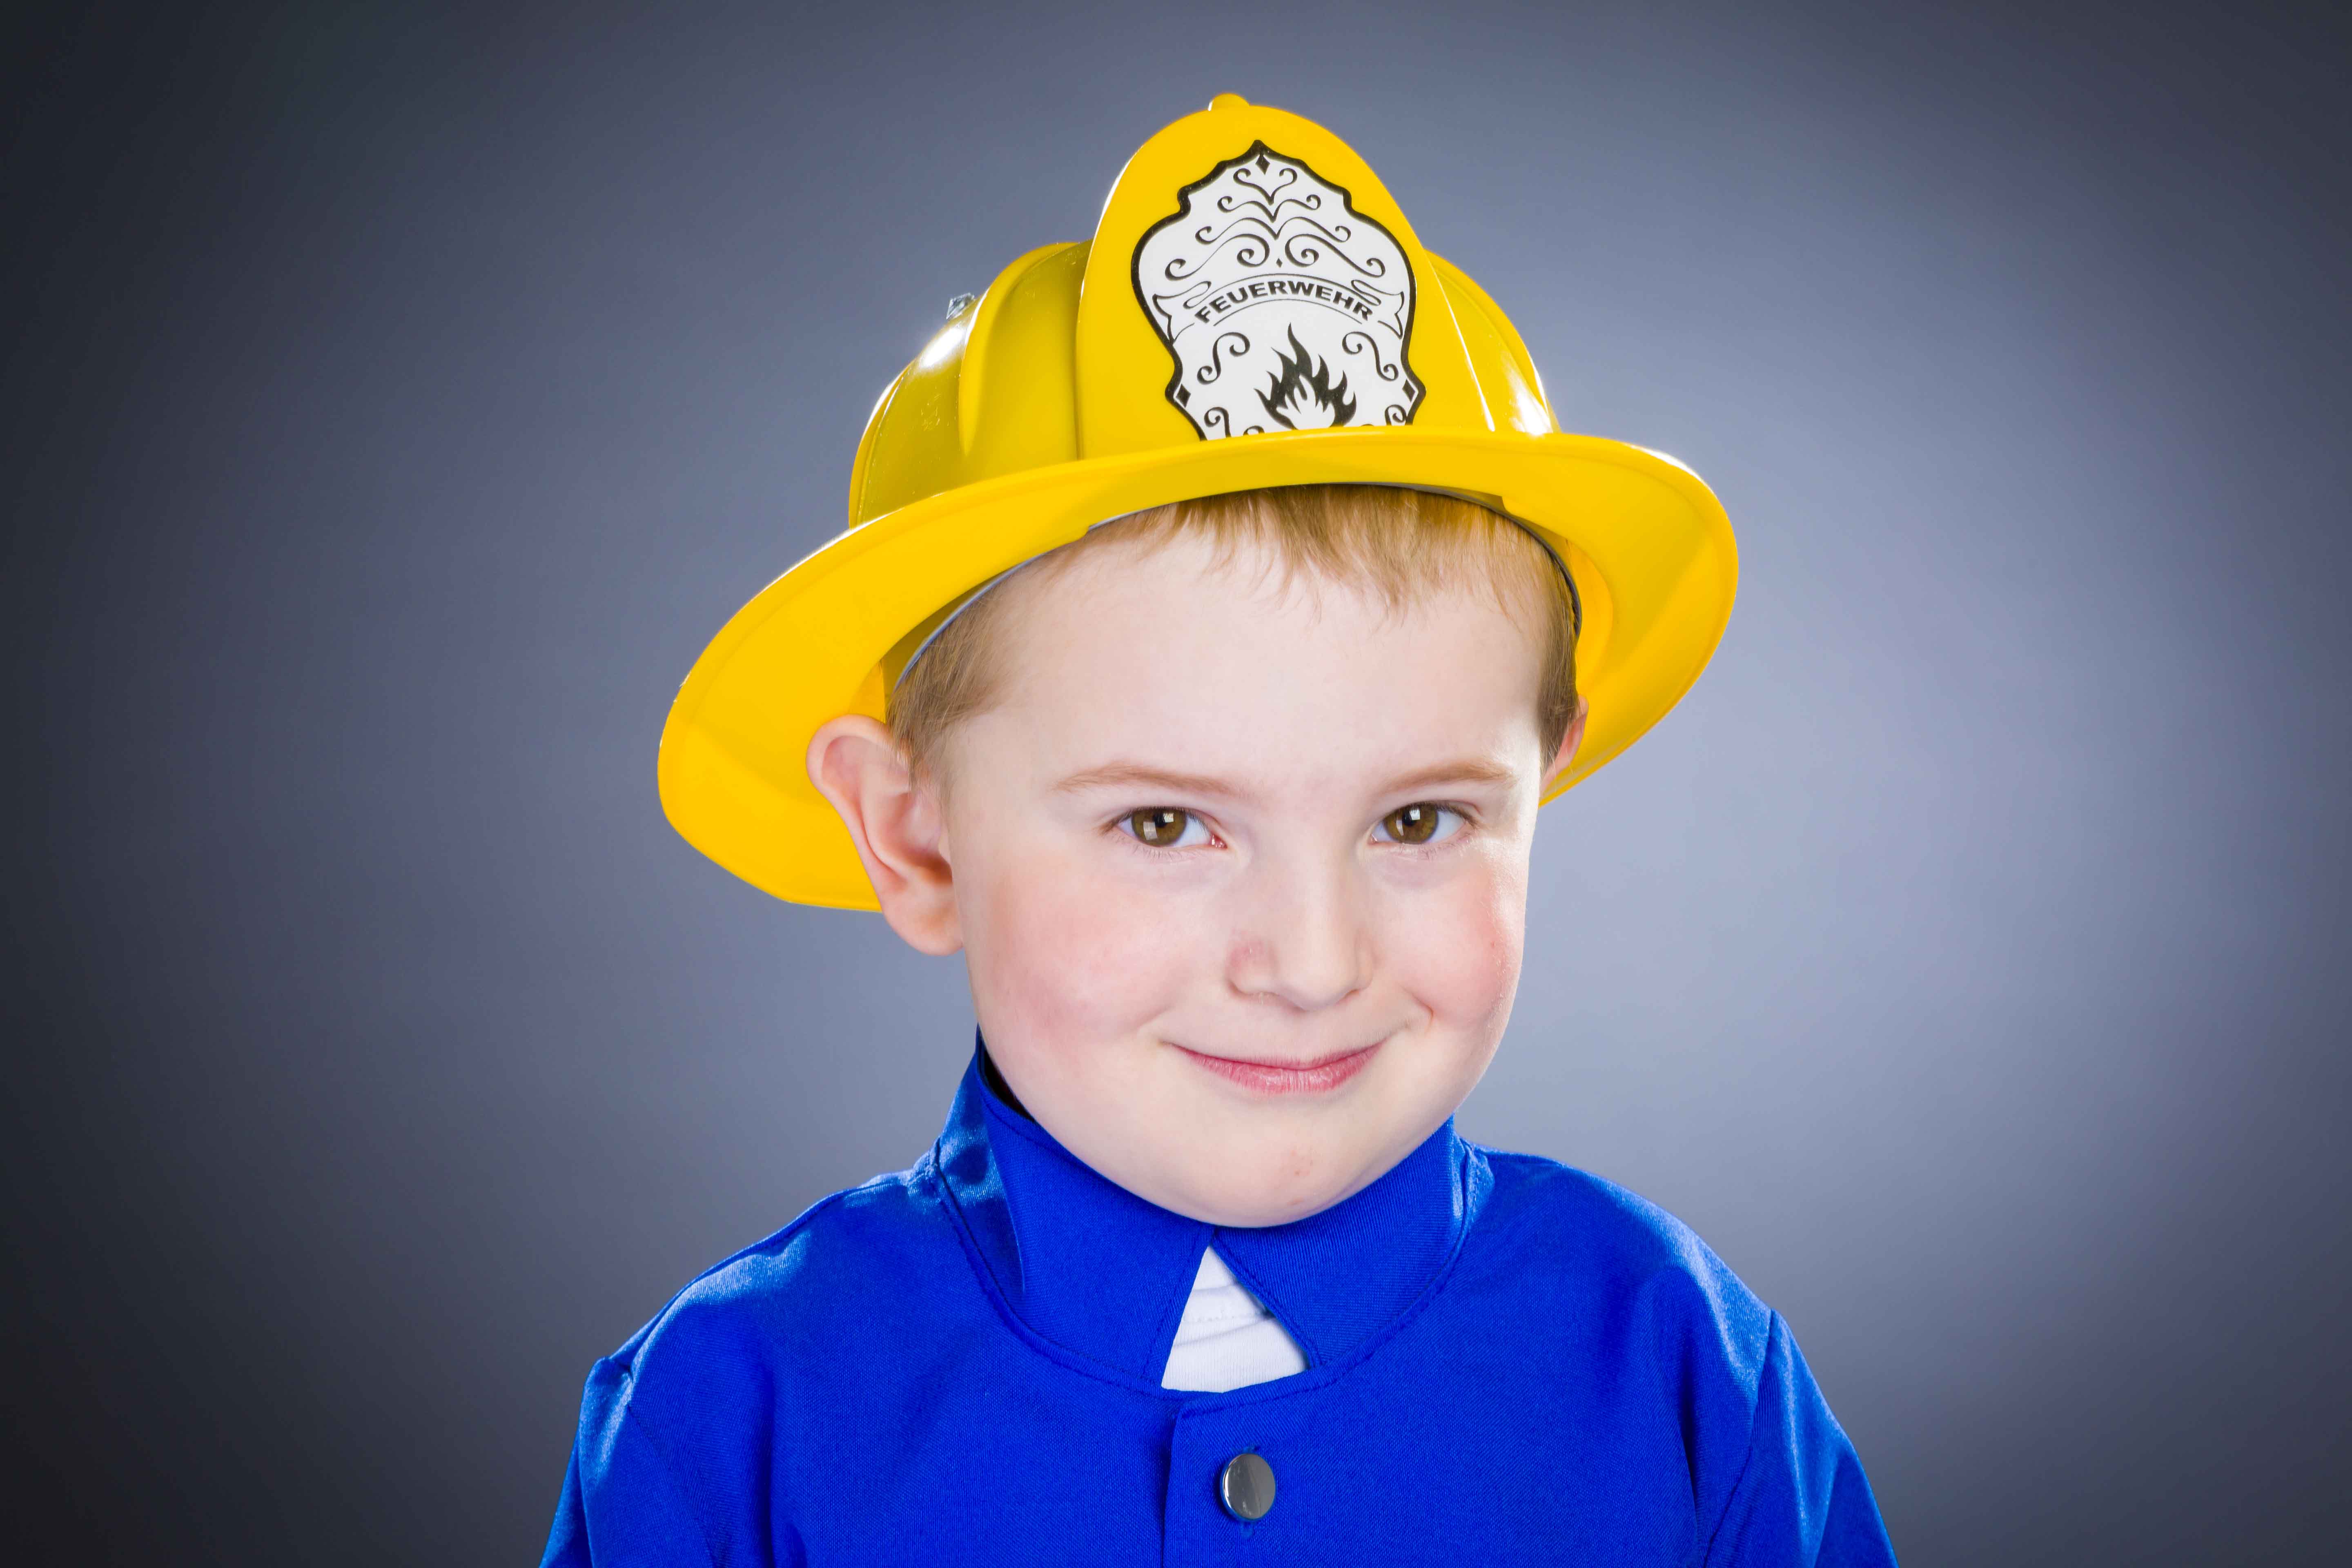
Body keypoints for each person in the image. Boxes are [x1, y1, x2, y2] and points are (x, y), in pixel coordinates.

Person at [541, 94, 1897, 1564]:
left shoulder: (1687, 1376)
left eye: (1420, 816)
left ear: (1543, 778)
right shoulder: (732, 1421)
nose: (1313, 963)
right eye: (1169, 823)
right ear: (915, 836)